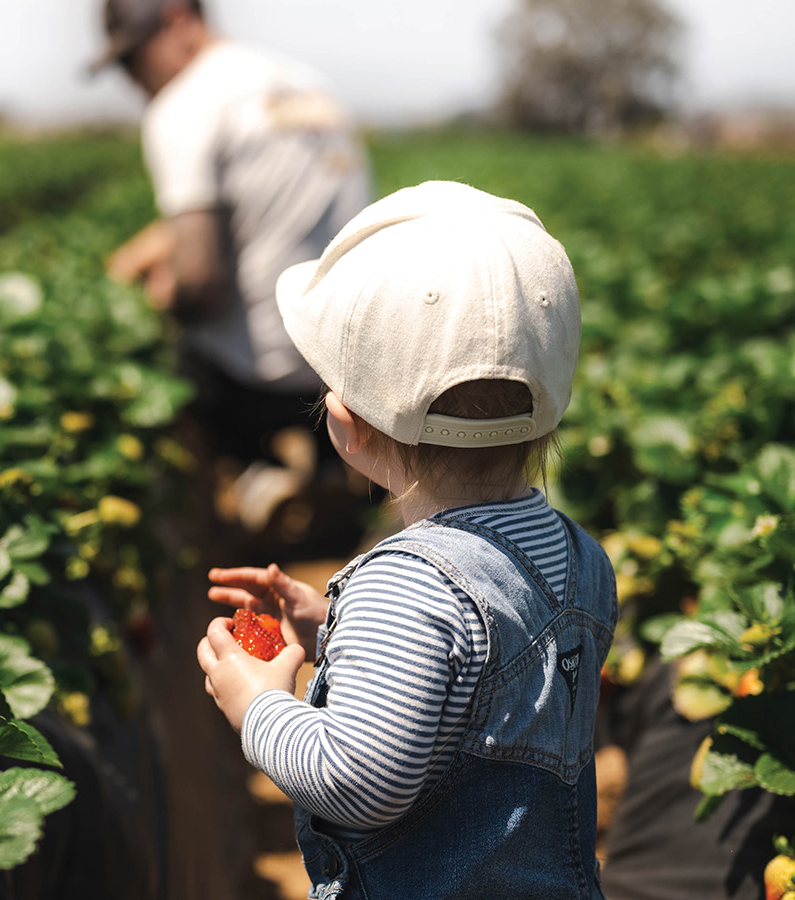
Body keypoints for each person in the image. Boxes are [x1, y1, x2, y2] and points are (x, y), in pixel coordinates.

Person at [195, 181, 620, 899]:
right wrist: (338, 631)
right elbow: (488, 677)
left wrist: (259, 703)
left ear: (345, 427)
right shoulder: (582, 558)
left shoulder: (408, 588)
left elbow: (358, 783)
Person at [91, 0, 372, 540]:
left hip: (260, 375)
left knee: (157, 357)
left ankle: (240, 486)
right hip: (346, 358)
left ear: (177, 18)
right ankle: (333, 469)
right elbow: (264, 208)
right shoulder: (300, 82)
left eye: (132, 59)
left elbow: (201, 284)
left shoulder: (184, 104)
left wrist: (157, 295)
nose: (131, 80)